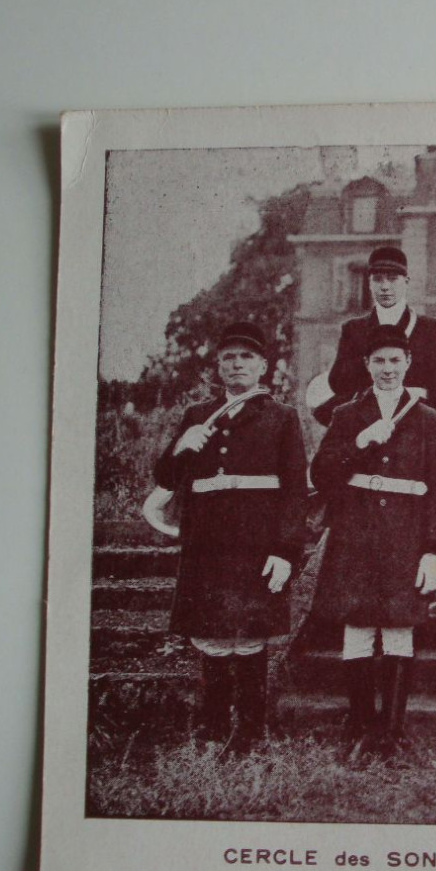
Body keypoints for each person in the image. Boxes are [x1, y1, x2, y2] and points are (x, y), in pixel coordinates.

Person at [153, 321, 307, 753]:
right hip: (207, 543)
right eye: (228, 358)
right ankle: (214, 727)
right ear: (218, 368)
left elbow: (295, 492)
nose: (236, 364)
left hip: (256, 545)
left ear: (262, 366)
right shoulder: (196, 416)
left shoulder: (280, 417)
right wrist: (183, 445)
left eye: (245, 357)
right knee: (213, 635)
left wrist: (285, 550)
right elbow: (165, 477)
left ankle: (252, 732)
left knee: (250, 635)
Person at [296, 325, 436, 753]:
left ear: (408, 363)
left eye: (395, 360)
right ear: (366, 365)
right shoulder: (347, 415)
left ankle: (393, 731)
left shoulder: (428, 418)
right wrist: (359, 443)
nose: (387, 369)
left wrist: (435, 551)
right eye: (379, 361)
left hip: (406, 536)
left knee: (400, 630)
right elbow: (321, 476)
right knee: (358, 628)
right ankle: (360, 725)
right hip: (355, 535)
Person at [309, 246, 436, 429]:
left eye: (393, 279)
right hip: (367, 426)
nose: (385, 287)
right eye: (378, 280)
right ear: (369, 284)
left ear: (406, 281)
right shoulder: (354, 329)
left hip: (415, 427)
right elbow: (338, 384)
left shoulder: (431, 329)